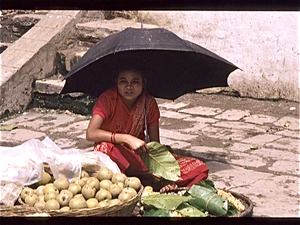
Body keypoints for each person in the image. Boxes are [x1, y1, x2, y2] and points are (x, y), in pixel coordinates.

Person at [86, 62, 209, 192]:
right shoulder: (108, 99)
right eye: (123, 81)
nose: (129, 87)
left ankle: (153, 180)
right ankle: (145, 178)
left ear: (144, 83)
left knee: (199, 168)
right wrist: (126, 139)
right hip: (116, 154)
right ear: (116, 82)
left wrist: (160, 168)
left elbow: (156, 144)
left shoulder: (148, 104)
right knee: (105, 147)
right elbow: (91, 133)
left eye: (135, 82)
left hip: (139, 155)